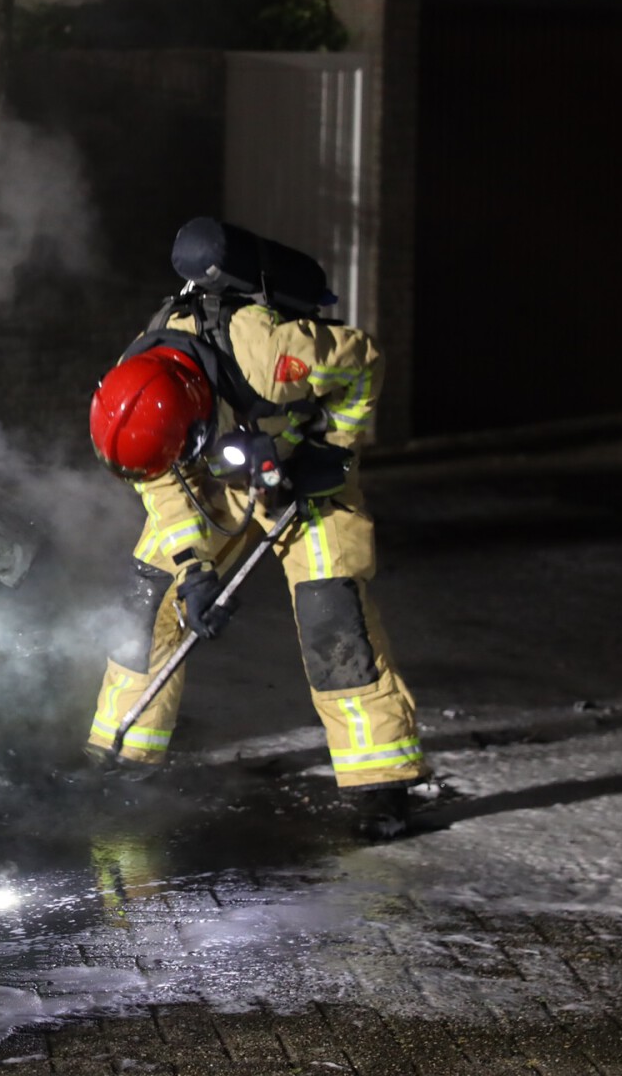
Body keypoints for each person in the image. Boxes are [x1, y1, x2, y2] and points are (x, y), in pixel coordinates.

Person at [82, 217, 424, 838]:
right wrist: (193, 571)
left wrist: (330, 450)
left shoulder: (270, 355)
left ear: (193, 404)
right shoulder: (139, 389)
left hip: (303, 477)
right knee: (148, 599)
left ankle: (381, 782)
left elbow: (362, 362)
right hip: (216, 474)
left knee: (332, 617)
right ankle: (120, 759)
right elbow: (161, 483)